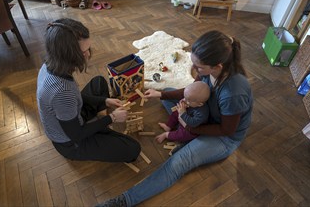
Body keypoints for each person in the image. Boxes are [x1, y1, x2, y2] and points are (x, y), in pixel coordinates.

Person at [97, 30, 253, 206]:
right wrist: (160, 94)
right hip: (204, 112)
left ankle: (125, 201)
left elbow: (227, 130)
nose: (195, 70)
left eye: (199, 67)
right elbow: (190, 92)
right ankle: (188, 139)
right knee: (171, 90)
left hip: (223, 137)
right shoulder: (207, 70)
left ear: (218, 66)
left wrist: (191, 127)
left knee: (179, 162)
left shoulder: (233, 93)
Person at [36, 18, 141, 162]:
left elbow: (75, 97)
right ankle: (100, 127)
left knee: (98, 82)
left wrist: (105, 100)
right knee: (133, 149)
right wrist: (112, 118)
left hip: (73, 117)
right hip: (71, 143)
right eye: (83, 51)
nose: (88, 55)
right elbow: (77, 135)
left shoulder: (49, 65)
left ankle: (99, 122)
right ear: (67, 54)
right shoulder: (61, 91)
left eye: (88, 49)